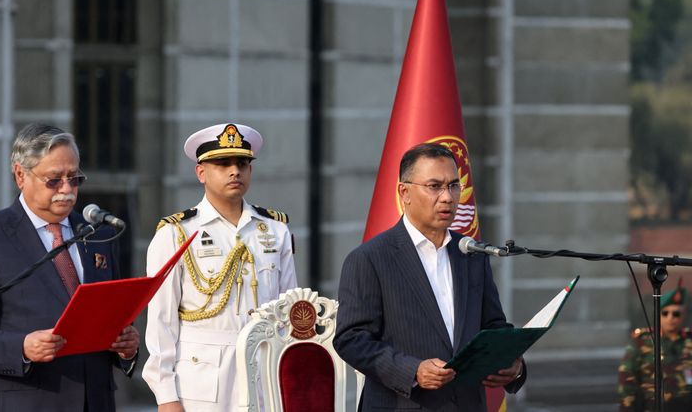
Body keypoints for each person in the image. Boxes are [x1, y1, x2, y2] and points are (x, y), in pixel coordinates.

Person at [0, 123, 140, 412]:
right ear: (20, 175)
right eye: (54, 180)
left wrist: (126, 347)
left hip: (96, 400)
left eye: (74, 178)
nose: (67, 190)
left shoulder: (98, 234)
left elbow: (108, 317)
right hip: (28, 400)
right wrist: (22, 348)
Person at [334, 143, 526, 411]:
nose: (447, 197)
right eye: (434, 186)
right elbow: (351, 339)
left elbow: (492, 324)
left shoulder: (471, 253)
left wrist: (513, 363)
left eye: (453, 186)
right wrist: (412, 370)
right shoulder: (370, 258)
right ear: (405, 192)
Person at [143, 122, 298, 411]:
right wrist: (166, 395)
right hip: (201, 380)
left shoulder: (275, 230)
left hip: (264, 372)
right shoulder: (176, 233)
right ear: (201, 172)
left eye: (242, 163)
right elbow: (161, 321)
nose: (234, 171)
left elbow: (287, 313)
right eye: (222, 163)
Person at [618, 279, 692, 411]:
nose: (671, 318)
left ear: (684, 315)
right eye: (665, 313)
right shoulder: (642, 340)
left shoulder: (689, 341)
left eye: (676, 314)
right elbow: (627, 379)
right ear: (659, 314)